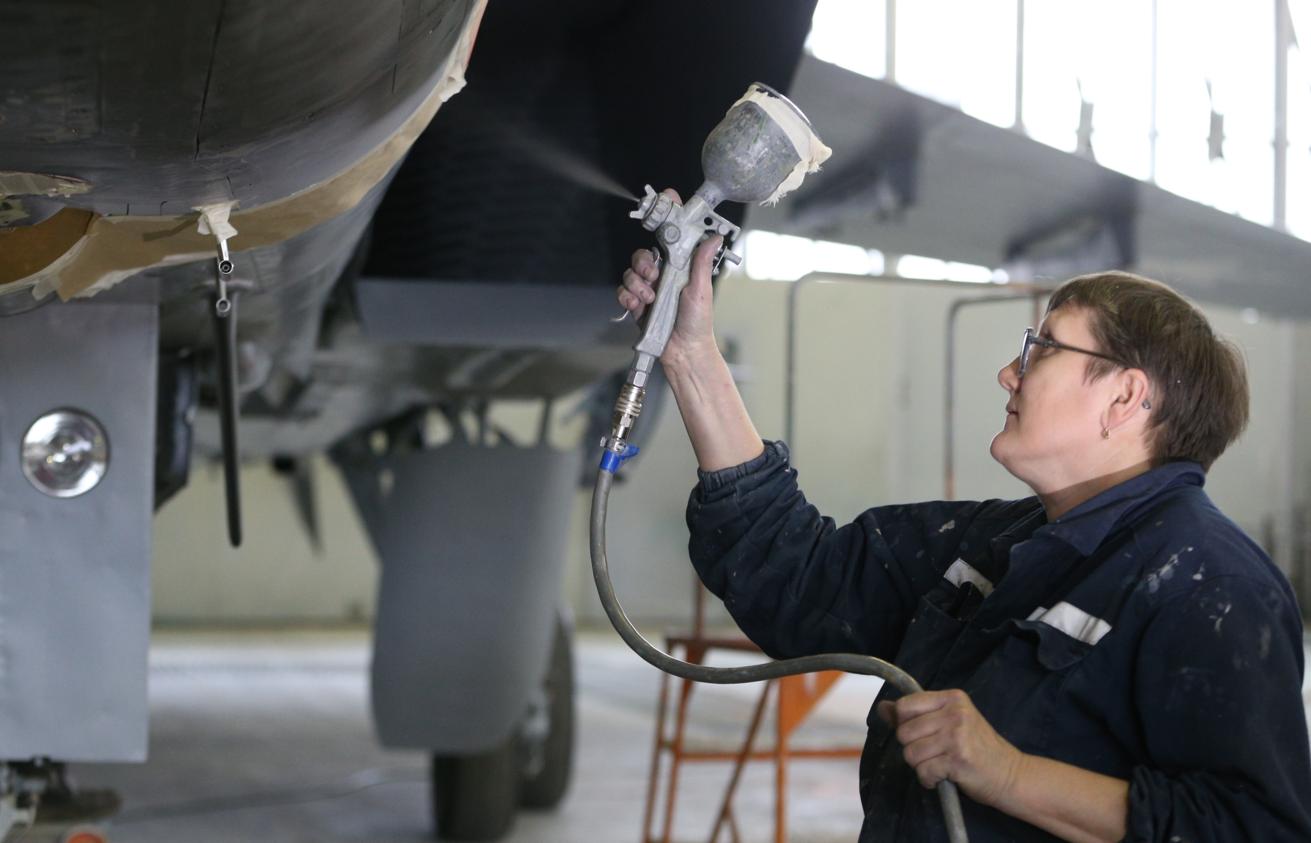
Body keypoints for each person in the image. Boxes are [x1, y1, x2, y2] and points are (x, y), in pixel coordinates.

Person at [616, 194, 1311, 842]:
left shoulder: (1209, 587)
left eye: (1043, 348)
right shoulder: (992, 545)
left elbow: (1250, 826)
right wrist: (690, 355)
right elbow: (801, 576)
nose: (1010, 373)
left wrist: (1005, 773)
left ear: (1125, 398)